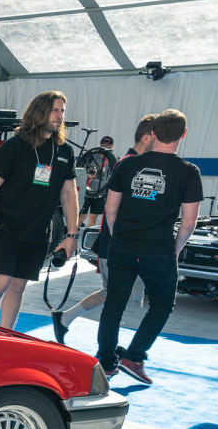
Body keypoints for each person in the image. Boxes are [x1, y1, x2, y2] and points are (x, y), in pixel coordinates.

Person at [95, 109, 201, 384]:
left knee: (113, 305)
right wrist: (175, 250)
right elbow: (189, 222)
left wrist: (121, 237)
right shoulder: (188, 172)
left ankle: (105, 363)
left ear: (153, 134)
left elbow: (110, 209)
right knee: (163, 304)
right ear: (183, 135)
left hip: (123, 245)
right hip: (159, 249)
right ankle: (134, 356)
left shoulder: (126, 165)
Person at [0, 91, 80, 332]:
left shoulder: (64, 151)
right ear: (39, 111)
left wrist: (71, 235)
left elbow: (69, 194)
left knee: (18, 286)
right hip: (6, 229)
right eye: (55, 110)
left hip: (38, 232)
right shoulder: (15, 146)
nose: (60, 116)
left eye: (62, 111)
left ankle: (6, 336)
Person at [53, 115, 157, 343]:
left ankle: (69, 320)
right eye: (158, 138)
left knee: (114, 294)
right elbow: (117, 207)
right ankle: (106, 346)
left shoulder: (135, 163)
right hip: (119, 242)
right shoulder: (129, 164)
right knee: (116, 295)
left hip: (122, 241)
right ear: (147, 138)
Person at [81, 135, 117, 229]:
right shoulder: (91, 156)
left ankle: (88, 234)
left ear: (112, 146)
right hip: (87, 191)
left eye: (107, 145)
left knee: (93, 217)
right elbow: (81, 169)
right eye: (103, 144)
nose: (105, 146)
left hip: (100, 192)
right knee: (81, 216)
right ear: (100, 144)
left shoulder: (112, 159)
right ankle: (71, 234)